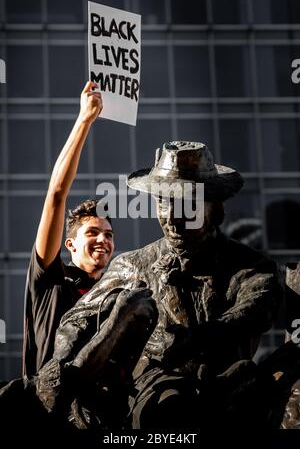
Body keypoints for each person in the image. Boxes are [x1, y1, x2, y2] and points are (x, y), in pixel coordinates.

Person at [34, 141, 283, 429]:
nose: (173, 218)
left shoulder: (251, 265)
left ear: (215, 209)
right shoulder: (133, 264)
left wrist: (194, 338)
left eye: (188, 204)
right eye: (164, 202)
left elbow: (256, 310)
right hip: (155, 400)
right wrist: (65, 362)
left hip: (231, 394)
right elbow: (76, 320)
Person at [23, 81, 114, 378]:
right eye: (92, 233)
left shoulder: (114, 295)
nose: (103, 239)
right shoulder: (52, 279)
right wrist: (84, 119)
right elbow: (57, 194)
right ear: (70, 245)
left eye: (108, 234)